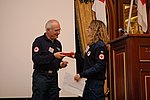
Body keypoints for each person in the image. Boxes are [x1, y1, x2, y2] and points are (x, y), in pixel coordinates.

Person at [70, 20, 109, 100]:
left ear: (96, 30)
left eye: (90, 28)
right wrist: (76, 56)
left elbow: (99, 65)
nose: (87, 30)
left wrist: (81, 74)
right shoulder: (92, 46)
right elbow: (88, 63)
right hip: (89, 81)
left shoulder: (99, 46)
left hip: (95, 83)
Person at [31, 19, 68, 100]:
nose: (58, 32)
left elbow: (56, 62)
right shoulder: (39, 41)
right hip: (41, 76)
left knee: (54, 97)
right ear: (48, 30)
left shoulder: (58, 44)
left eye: (59, 30)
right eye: (56, 30)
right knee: (39, 97)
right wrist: (53, 56)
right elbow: (36, 59)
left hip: (53, 76)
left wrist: (60, 64)